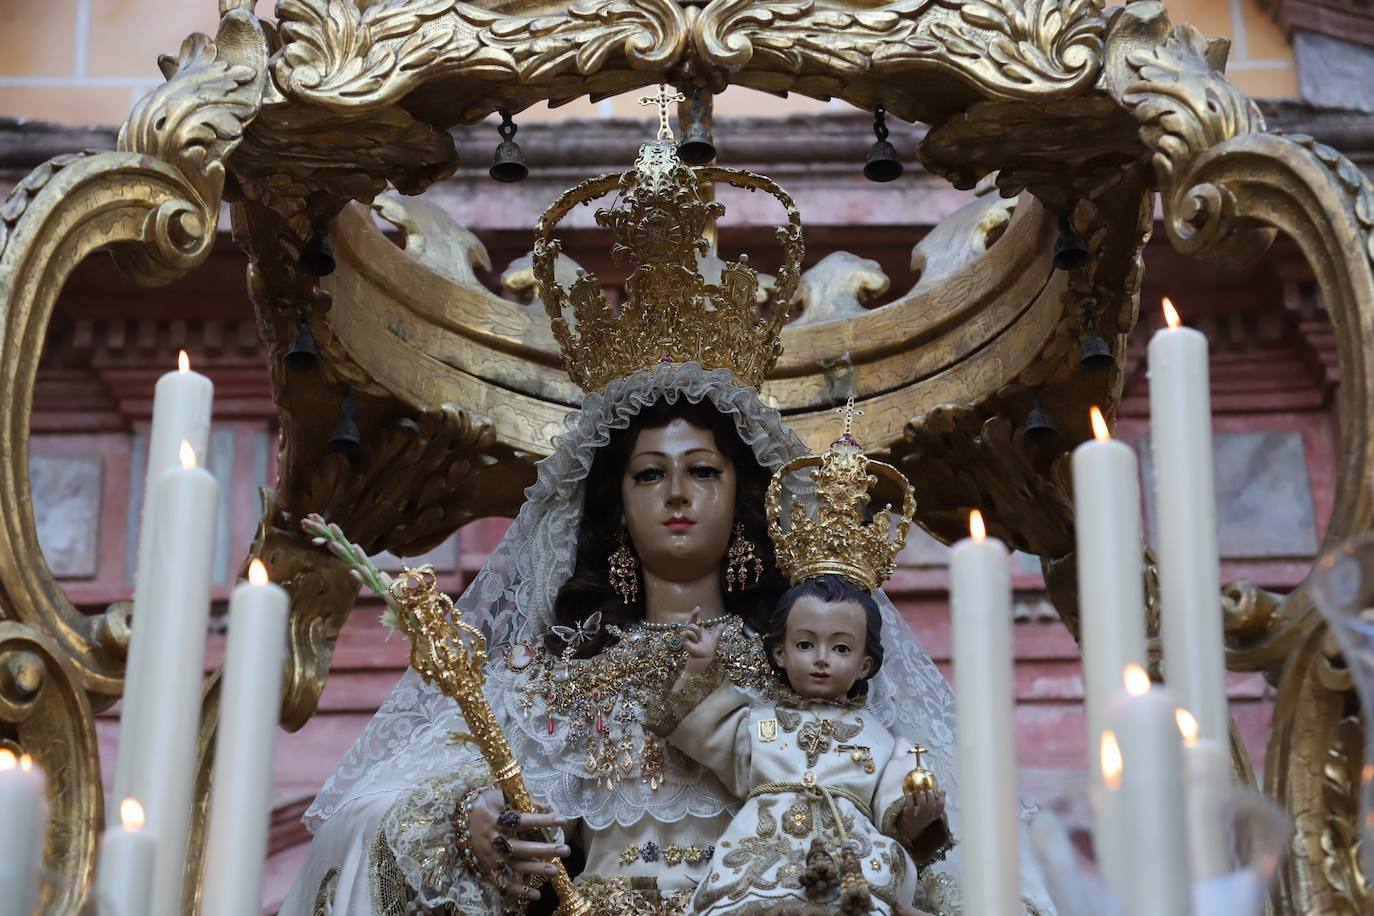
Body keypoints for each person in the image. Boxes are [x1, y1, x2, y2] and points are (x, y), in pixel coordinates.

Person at [280, 124, 1048, 916]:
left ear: (742, 500)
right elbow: (373, 812)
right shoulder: (552, 682)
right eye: (650, 474)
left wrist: (927, 831)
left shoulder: (814, 665)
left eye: (703, 472)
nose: (677, 494)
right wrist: (470, 822)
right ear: (617, 506)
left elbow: (963, 845)